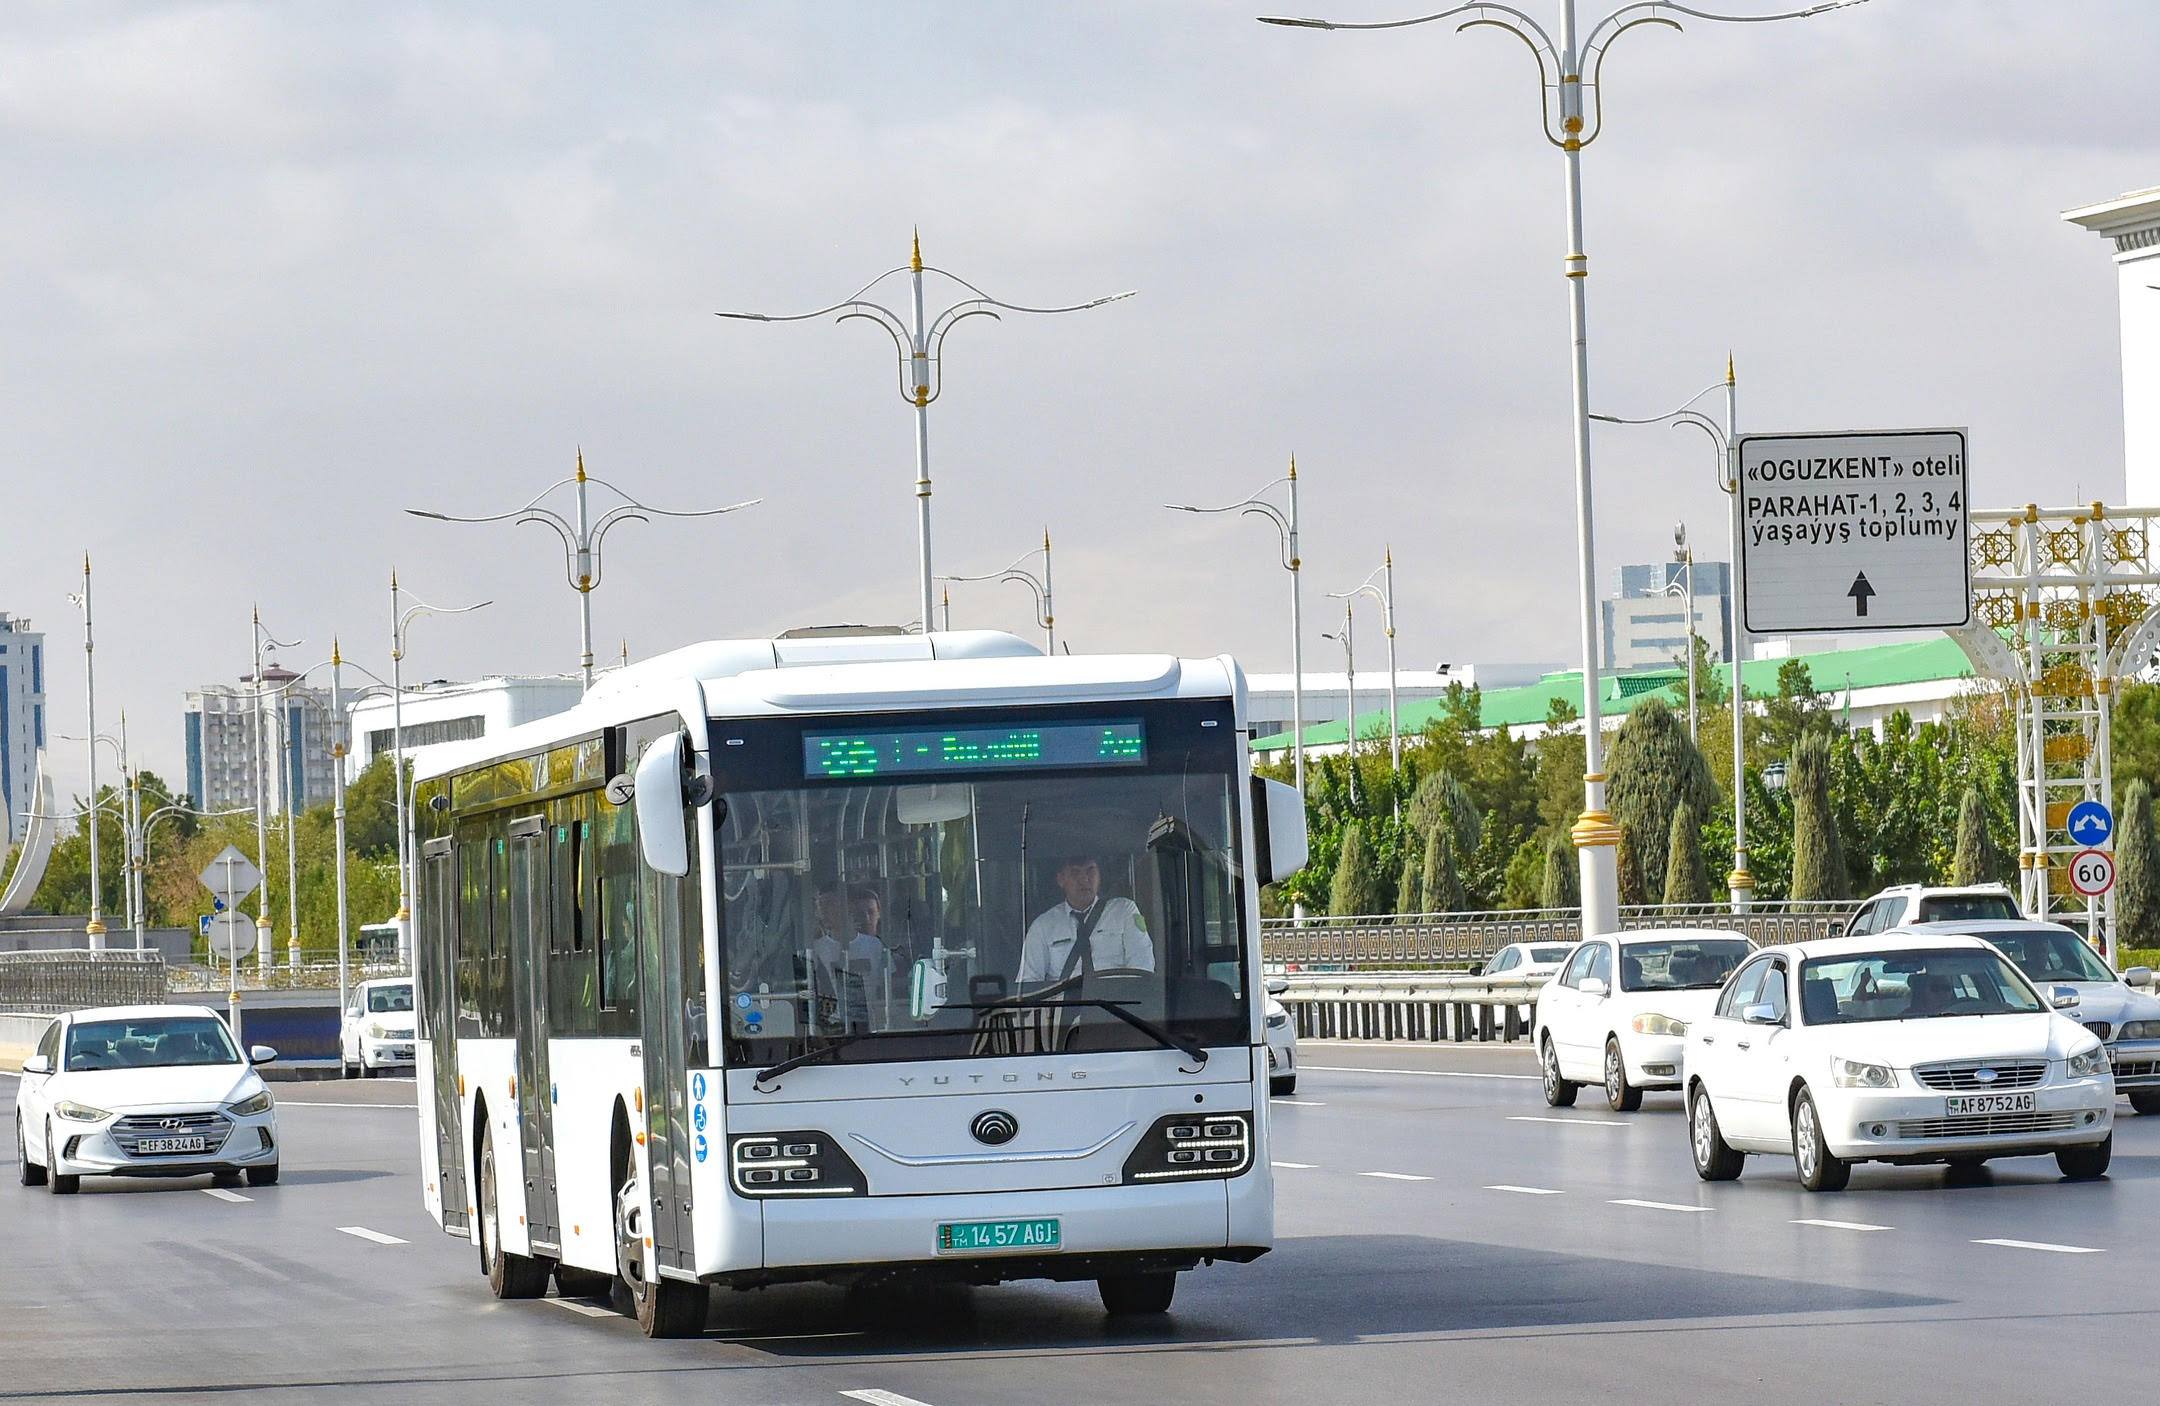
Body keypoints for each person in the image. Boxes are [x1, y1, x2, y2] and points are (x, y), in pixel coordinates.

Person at [1018, 856, 1154, 985]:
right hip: (1064, 1006)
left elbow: (1142, 969)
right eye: (1075, 872)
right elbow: (1028, 983)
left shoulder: (1124, 911)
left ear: (1099, 875)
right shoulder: (1043, 926)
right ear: (1061, 880)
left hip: (1115, 1005)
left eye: (1090, 870)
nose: (1084, 879)